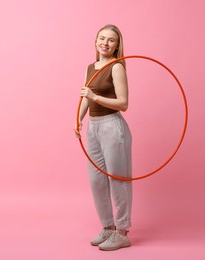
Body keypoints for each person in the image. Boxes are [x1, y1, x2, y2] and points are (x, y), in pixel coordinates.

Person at [74, 24, 132, 251]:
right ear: (95, 40)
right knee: (96, 180)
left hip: (112, 126)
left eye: (111, 40)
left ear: (117, 45)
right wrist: (78, 118)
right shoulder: (91, 67)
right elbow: (85, 97)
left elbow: (123, 104)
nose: (105, 43)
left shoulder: (116, 67)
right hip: (93, 127)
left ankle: (122, 231)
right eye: (102, 38)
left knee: (117, 179)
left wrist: (93, 95)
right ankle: (108, 227)